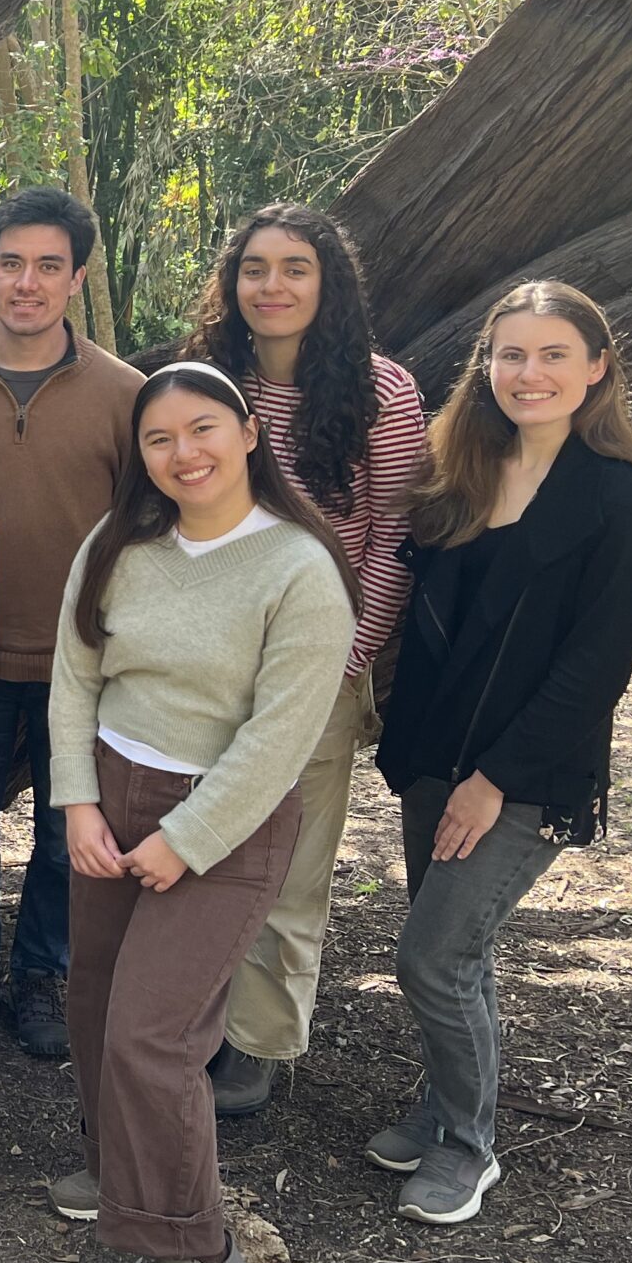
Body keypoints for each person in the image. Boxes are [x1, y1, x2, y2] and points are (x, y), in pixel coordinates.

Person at [45, 362, 355, 1263]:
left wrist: (186, 840)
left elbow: (280, 738)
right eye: (159, 438)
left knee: (154, 1033)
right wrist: (78, 803)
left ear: (249, 431)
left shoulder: (299, 569)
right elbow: (74, 678)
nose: (183, 453)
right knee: (95, 1003)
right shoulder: (118, 543)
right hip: (111, 795)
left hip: (225, 818)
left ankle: (200, 1250)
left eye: (203, 429)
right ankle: (120, 1174)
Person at [371, 283, 632, 1225]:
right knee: (456, 949)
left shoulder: (622, 500)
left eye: (552, 355)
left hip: (526, 776)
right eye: (511, 355)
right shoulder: (461, 472)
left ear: (597, 368)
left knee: (432, 957)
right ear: (487, 366)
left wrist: (492, 782)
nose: (528, 373)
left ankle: (469, 1148)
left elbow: (595, 670)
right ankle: (441, 1109)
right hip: (433, 756)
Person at [180, 202, 428, 1114]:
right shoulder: (207, 379)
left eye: (295, 268)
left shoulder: (379, 392)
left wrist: (345, 655)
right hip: (202, 663)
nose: (272, 286)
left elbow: (397, 538)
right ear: (232, 283)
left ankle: (258, 1046)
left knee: (289, 862)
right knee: (199, 846)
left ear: (330, 283)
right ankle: (193, 1020)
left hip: (317, 668)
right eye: (255, 268)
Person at [0, 187, 142, 1058]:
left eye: (49, 266)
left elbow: (146, 530)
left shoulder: (124, 395)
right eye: (12, 264)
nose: (28, 283)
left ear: (77, 278)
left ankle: (44, 974)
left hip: (81, 662)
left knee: (65, 834)